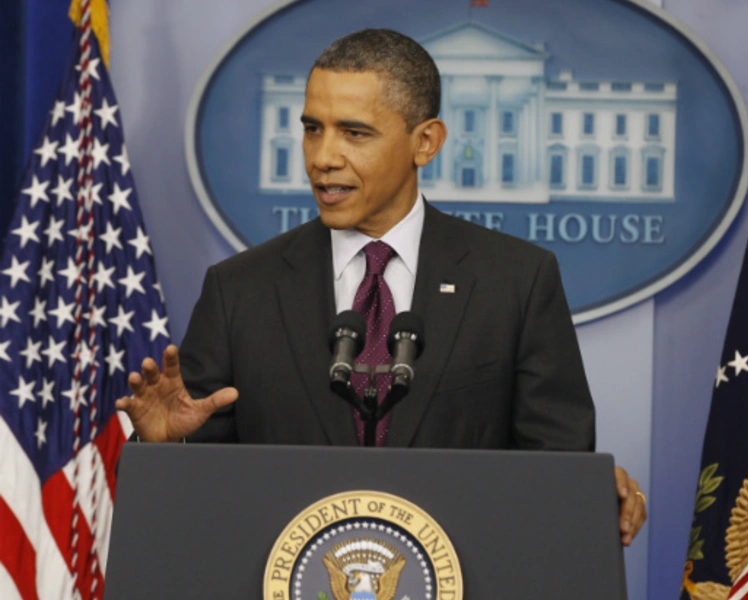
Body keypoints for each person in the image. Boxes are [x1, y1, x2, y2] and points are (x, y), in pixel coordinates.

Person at [116, 28, 647, 545]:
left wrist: (584, 490)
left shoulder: (516, 282)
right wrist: (165, 445)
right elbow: (195, 501)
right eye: (312, 128)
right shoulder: (239, 290)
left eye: (354, 132)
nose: (322, 157)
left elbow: (555, 469)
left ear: (425, 142)